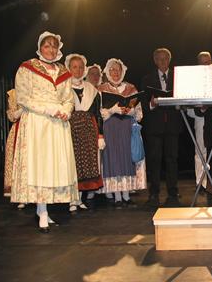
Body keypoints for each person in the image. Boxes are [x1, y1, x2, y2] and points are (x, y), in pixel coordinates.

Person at [11, 31, 79, 233]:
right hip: (38, 121)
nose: (50, 50)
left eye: (54, 46)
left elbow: (68, 98)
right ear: (40, 47)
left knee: (54, 166)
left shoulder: (63, 71)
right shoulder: (27, 68)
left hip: (57, 124)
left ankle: (46, 210)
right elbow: (22, 97)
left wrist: (66, 110)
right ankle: (41, 210)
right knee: (39, 165)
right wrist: (48, 109)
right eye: (47, 46)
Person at [99, 58, 147, 208]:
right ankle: (117, 195)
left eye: (118, 70)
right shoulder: (101, 88)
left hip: (126, 127)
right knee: (113, 159)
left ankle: (126, 195)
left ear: (122, 71)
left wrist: (131, 111)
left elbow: (139, 112)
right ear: (107, 71)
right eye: (112, 70)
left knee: (126, 158)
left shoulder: (131, 88)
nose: (115, 72)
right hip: (110, 128)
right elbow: (98, 112)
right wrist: (112, 110)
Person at [140, 48, 182, 207]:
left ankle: (173, 191)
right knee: (154, 160)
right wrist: (151, 104)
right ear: (155, 60)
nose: (163, 62)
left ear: (169, 60)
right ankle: (154, 192)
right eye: (159, 59)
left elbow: (184, 98)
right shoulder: (147, 79)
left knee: (172, 159)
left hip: (173, 124)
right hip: (154, 126)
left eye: (165, 59)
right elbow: (142, 102)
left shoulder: (178, 78)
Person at [65, 54, 105, 212]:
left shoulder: (92, 90)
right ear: (69, 68)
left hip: (88, 128)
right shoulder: (63, 87)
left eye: (81, 67)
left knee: (86, 165)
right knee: (72, 164)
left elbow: (97, 113)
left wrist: (100, 135)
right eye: (74, 66)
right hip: (70, 128)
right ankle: (71, 199)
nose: (78, 70)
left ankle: (80, 198)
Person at [186, 51, 212, 190]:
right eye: (204, 62)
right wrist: (200, 109)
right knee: (200, 151)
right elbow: (189, 104)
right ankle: (201, 182)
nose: (207, 65)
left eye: (209, 61)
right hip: (200, 119)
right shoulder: (193, 81)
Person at [3, 88, 26, 210]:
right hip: (19, 128)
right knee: (20, 163)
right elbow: (12, 116)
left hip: (35, 128)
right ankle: (21, 195)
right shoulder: (13, 94)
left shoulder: (37, 90)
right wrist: (23, 109)